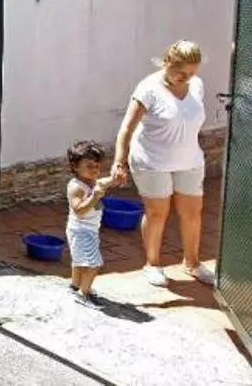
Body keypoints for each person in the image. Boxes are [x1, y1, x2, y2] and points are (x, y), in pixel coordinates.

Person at [111, 39, 215, 287]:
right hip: (152, 161)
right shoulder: (148, 89)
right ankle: (153, 264)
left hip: (189, 160)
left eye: (192, 73)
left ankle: (192, 263)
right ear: (167, 62)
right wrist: (119, 162)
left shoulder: (196, 85)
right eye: (181, 72)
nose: (186, 78)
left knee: (192, 213)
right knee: (158, 213)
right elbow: (126, 129)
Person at [65, 141, 114, 309]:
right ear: (75, 166)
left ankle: (75, 285)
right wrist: (94, 197)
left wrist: (115, 179)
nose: (94, 169)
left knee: (79, 260)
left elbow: (103, 182)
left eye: (97, 166)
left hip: (88, 229)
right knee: (93, 264)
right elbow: (79, 210)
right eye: (89, 166)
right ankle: (83, 293)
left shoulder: (91, 181)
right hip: (81, 230)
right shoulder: (76, 187)